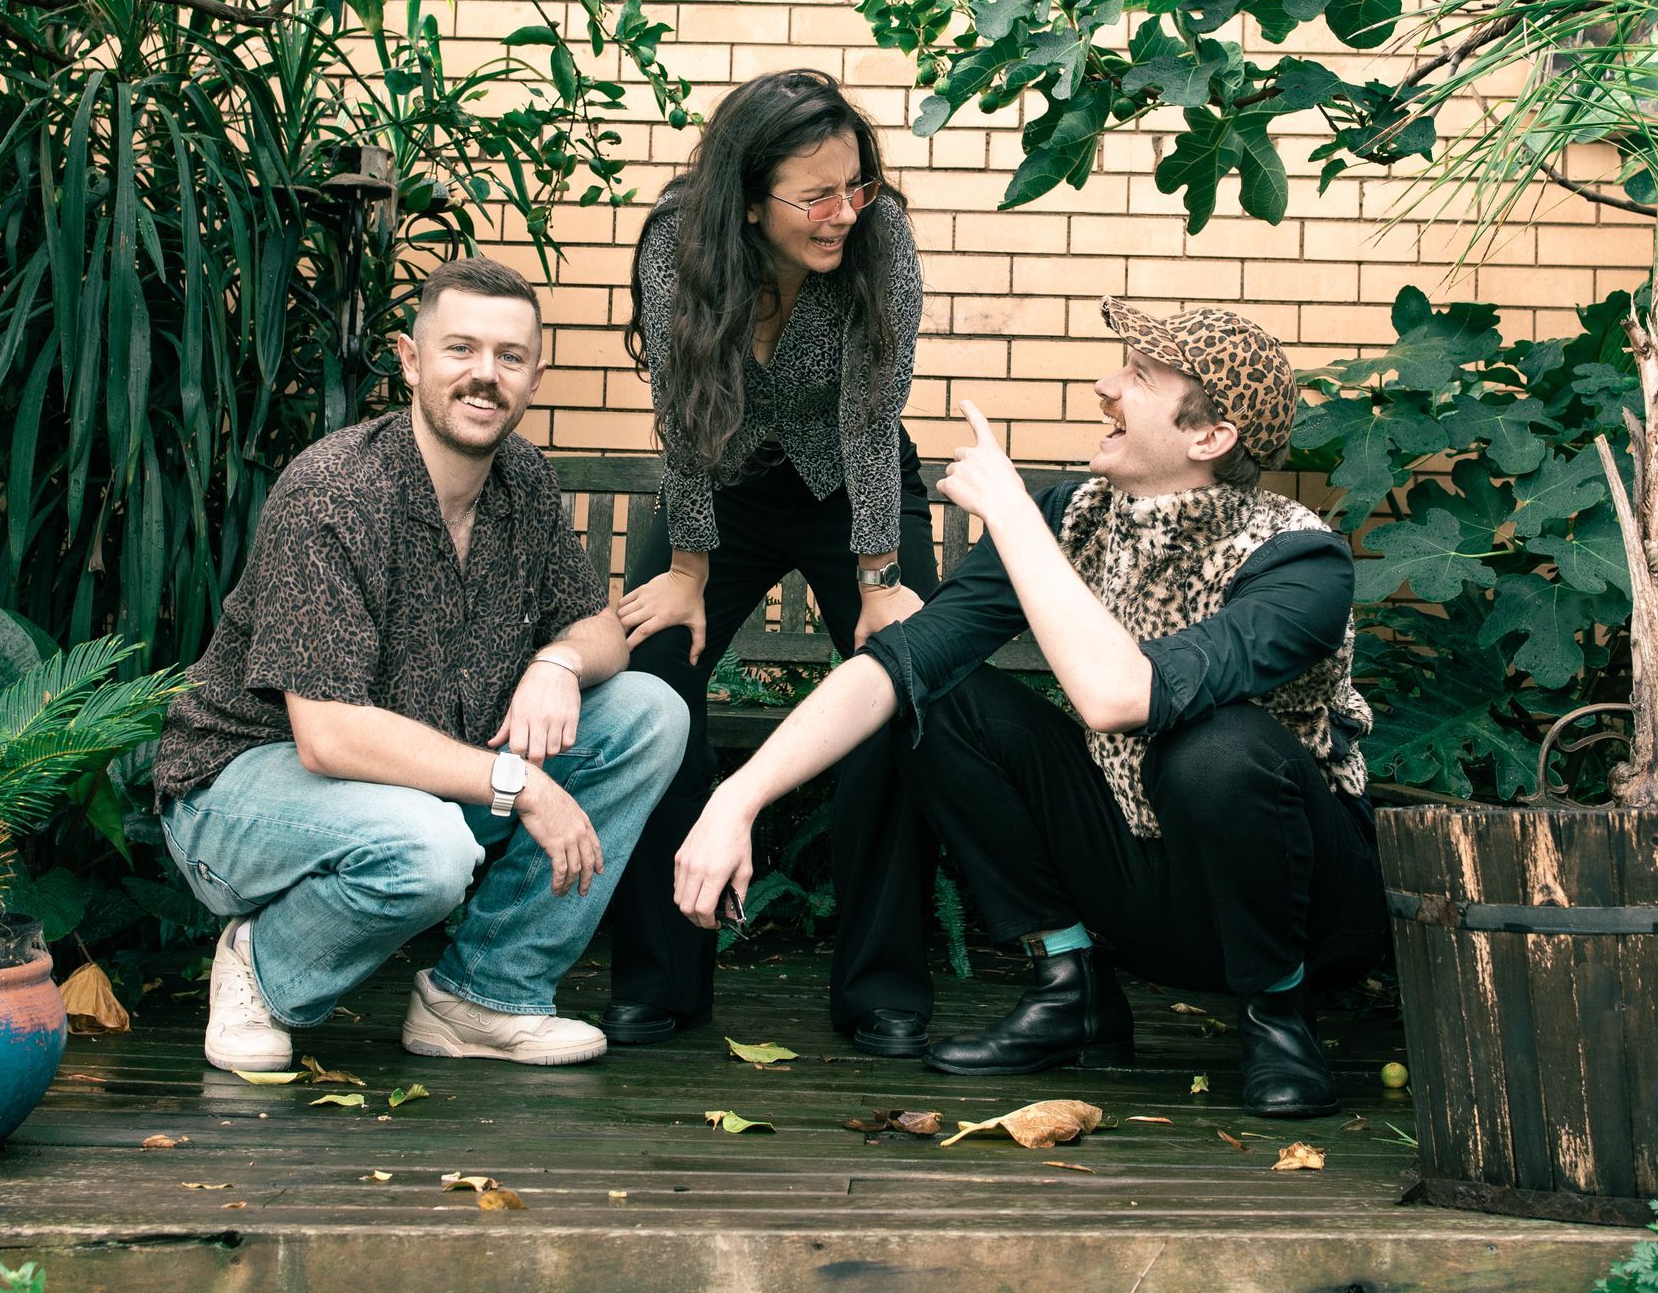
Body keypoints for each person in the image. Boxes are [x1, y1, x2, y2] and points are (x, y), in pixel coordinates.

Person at [670, 302, 1389, 1118]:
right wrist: (738, 797)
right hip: (1138, 883)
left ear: (1210, 438)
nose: (1104, 387)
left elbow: (1124, 699)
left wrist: (1010, 516)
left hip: (1299, 910)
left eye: (1140, 378)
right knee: (933, 696)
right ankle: (1072, 985)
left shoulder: (1300, 559)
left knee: (1211, 747)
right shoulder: (1072, 517)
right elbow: (893, 666)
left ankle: (1278, 1016)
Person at [151, 257, 687, 1074]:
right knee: (427, 849)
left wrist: (555, 661)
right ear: (409, 359)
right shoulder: (334, 491)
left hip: (420, 784)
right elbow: (328, 737)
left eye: (509, 357)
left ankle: (483, 997)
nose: (485, 375)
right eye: (460, 349)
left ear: (535, 376)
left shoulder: (523, 481)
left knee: (649, 711)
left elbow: (604, 634)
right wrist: (523, 784)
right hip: (243, 790)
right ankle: (261, 968)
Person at [603, 69, 940, 1054]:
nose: (844, 213)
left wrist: (879, 582)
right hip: (726, 480)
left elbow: (872, 415)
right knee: (654, 679)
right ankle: (660, 981)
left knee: (901, 684)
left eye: (857, 187)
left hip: (857, 485)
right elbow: (684, 408)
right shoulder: (678, 244)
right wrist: (691, 572)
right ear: (748, 197)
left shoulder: (884, 240)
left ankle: (883, 987)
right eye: (815, 195)